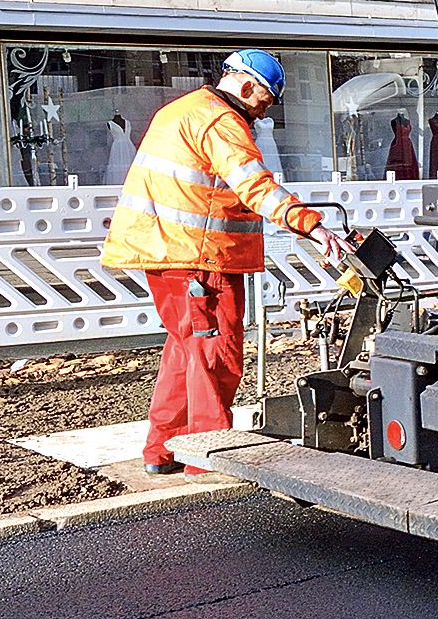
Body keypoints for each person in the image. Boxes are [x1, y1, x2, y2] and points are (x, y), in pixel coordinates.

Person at [100, 49, 349, 474]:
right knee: (216, 358)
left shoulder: (184, 110)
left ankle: (163, 451)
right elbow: (255, 186)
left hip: (171, 256)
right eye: (263, 103)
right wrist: (312, 226)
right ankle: (210, 459)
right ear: (248, 86)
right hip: (200, 262)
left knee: (186, 356)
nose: (260, 115)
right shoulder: (221, 122)